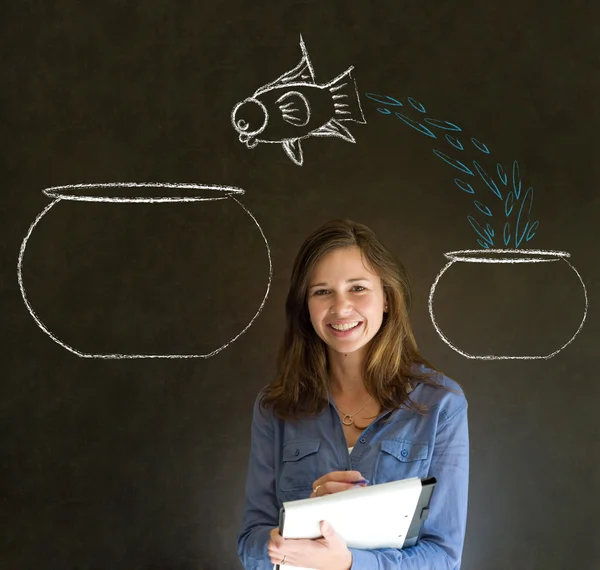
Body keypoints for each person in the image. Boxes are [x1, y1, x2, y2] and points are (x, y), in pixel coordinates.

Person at [237, 219, 469, 570]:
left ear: (387, 298)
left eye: (358, 288)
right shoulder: (275, 407)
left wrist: (348, 563)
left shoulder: (441, 404)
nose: (341, 308)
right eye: (322, 291)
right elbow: (251, 543)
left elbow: (444, 556)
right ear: (306, 306)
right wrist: (291, 533)